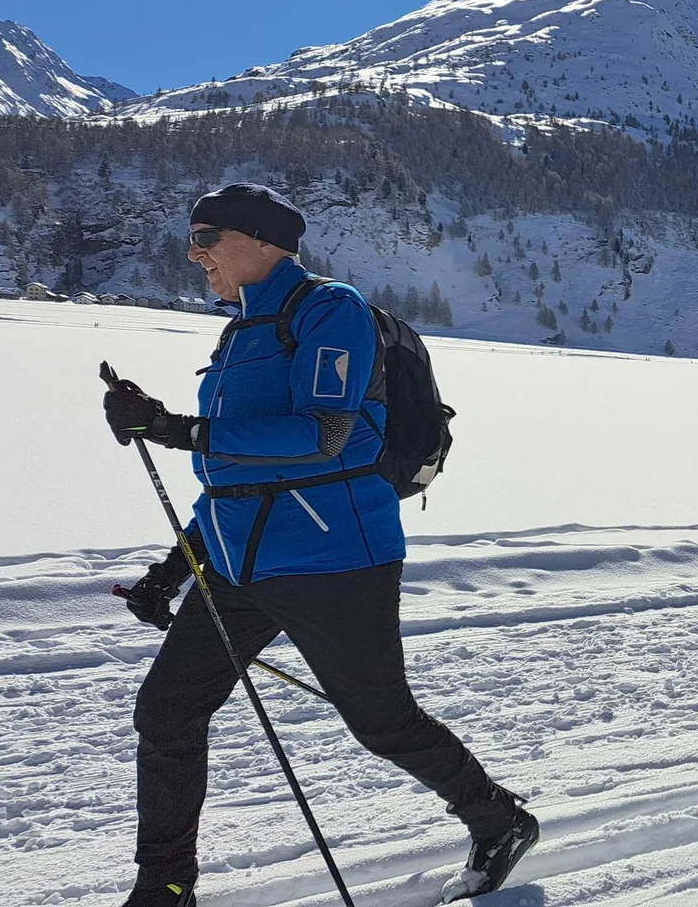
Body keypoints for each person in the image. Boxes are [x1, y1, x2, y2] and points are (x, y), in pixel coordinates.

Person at [102, 184, 536, 907]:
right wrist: (171, 571)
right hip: (241, 568)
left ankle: (499, 820)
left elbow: (322, 434)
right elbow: (229, 481)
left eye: (208, 234)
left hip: (336, 561)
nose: (194, 250)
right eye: (191, 236)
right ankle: (165, 887)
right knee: (167, 712)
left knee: (381, 721)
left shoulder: (328, 310)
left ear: (264, 240)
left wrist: (174, 427)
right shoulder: (238, 333)